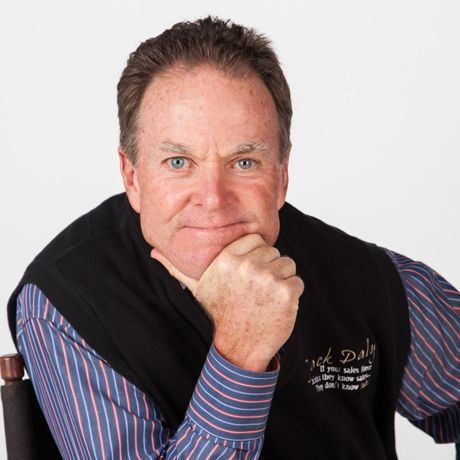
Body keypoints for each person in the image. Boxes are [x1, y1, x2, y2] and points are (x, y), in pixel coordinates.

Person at [7, 16, 459, 459]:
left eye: (244, 162)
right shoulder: (64, 304)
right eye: (179, 162)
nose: (213, 198)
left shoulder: (367, 279)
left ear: (281, 175)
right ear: (132, 177)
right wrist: (240, 354)